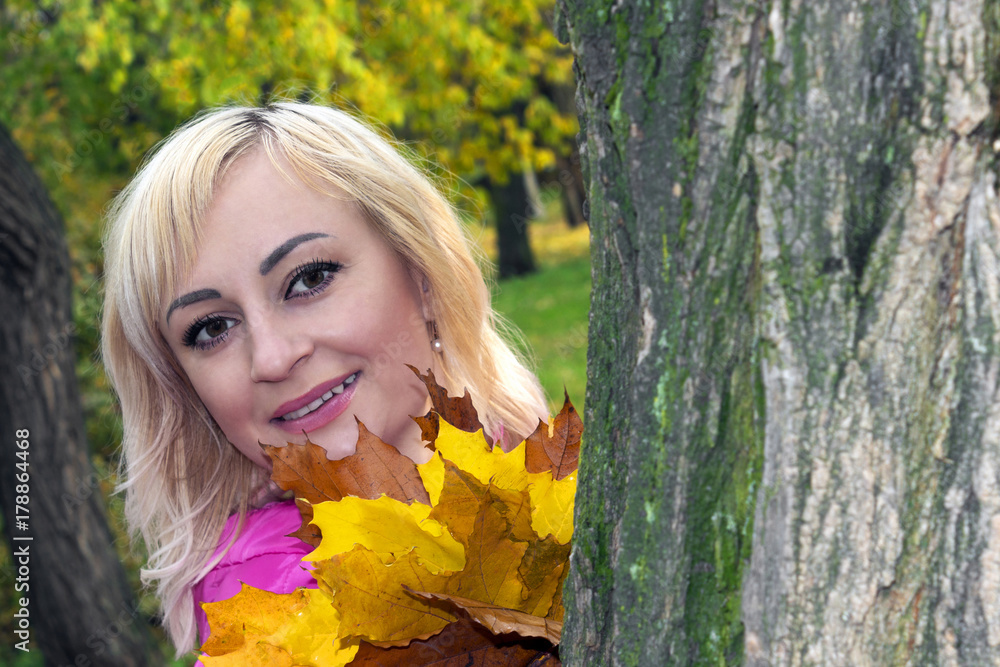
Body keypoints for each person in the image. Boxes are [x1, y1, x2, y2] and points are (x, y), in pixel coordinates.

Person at [100, 101, 549, 656]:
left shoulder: (540, 461)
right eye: (212, 328)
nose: (272, 358)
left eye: (308, 279)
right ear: (185, 389)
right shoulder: (268, 594)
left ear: (421, 271)